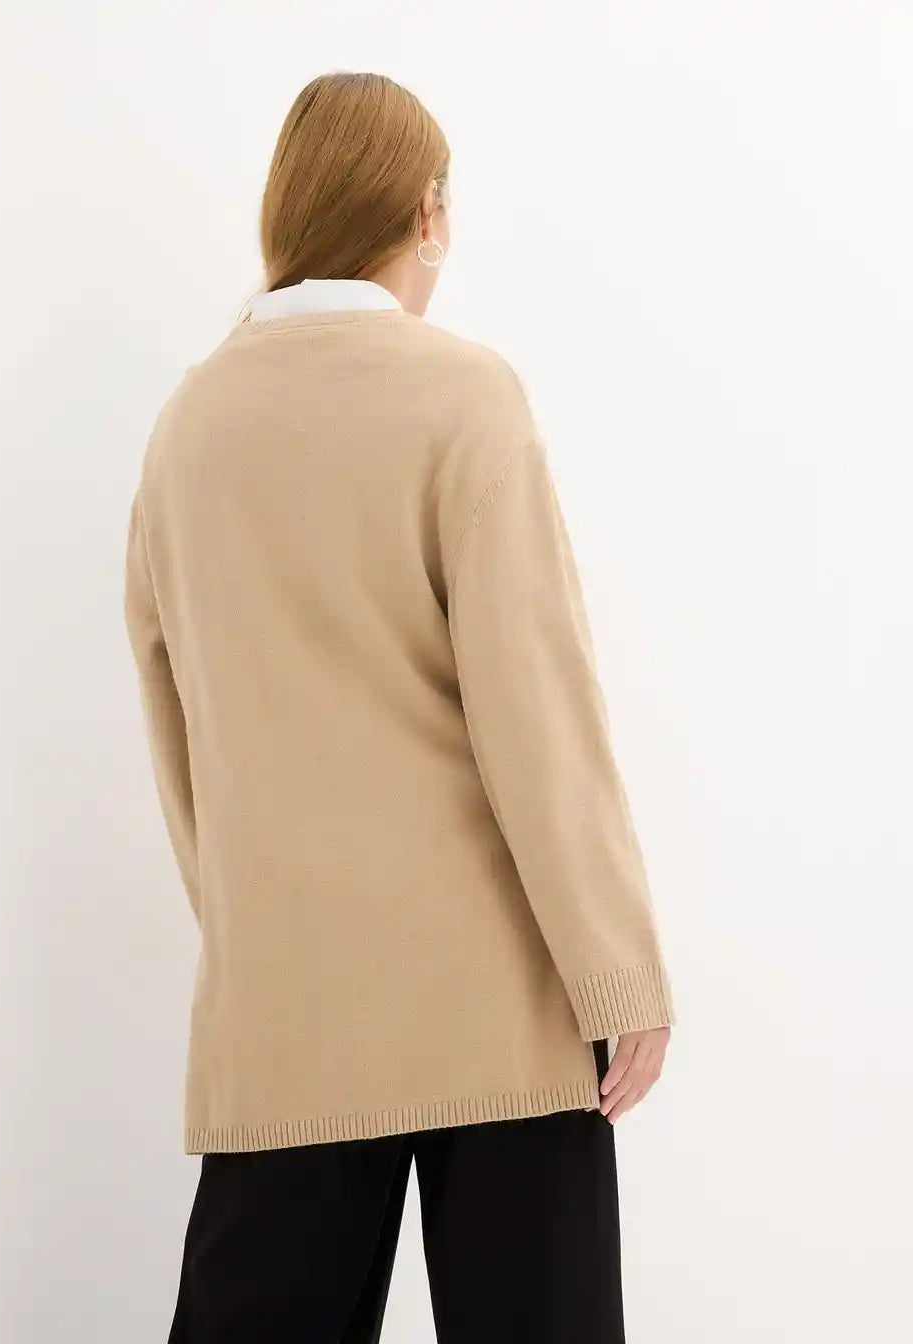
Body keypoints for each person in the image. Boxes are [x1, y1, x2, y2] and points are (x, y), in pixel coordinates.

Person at [124, 70, 674, 1344]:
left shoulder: (187, 426)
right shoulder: (461, 396)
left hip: (287, 1011)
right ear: (426, 212)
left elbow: (179, 726)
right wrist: (617, 971)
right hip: (497, 1010)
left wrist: (256, 933)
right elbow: (538, 711)